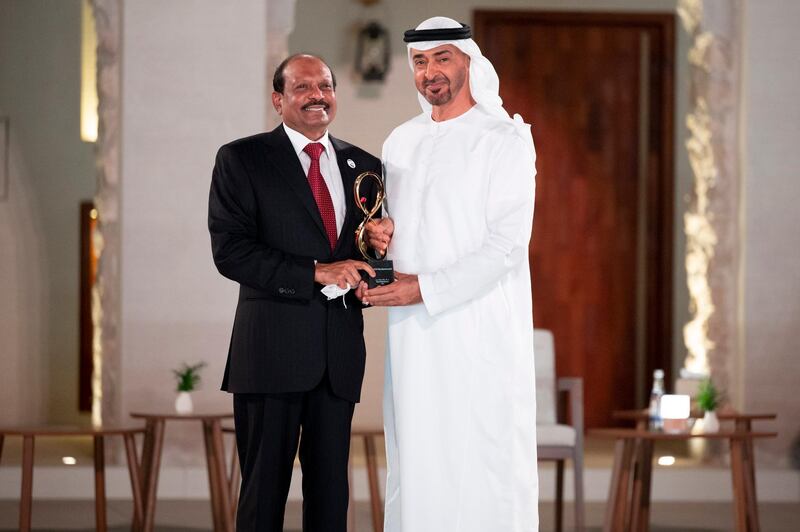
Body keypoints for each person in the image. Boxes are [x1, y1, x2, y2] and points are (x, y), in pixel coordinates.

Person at [361, 16, 539, 531]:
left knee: (481, 453)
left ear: (469, 62)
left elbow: (506, 244)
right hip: (414, 335)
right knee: (418, 455)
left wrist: (425, 288)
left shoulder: (504, 137)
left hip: (479, 329)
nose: (430, 71)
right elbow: (399, 224)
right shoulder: (401, 140)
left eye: (442, 58)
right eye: (420, 61)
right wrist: (380, 235)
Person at [208, 53, 380, 532]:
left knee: (330, 501)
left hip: (338, 357)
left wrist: (376, 268)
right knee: (263, 498)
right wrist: (316, 272)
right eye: (303, 88)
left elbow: (368, 254)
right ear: (278, 99)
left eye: (325, 85)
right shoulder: (242, 159)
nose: (317, 96)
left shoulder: (364, 166)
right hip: (270, 356)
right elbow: (232, 252)